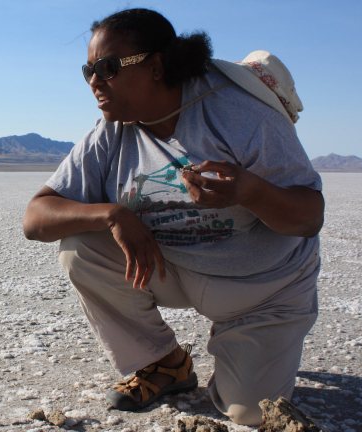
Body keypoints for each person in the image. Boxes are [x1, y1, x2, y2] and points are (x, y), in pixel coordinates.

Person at [22, 8, 323, 426]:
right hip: (175, 268)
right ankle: (163, 364)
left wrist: (250, 192)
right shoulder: (113, 129)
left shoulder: (241, 116)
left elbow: (308, 218)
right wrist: (112, 214)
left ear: (157, 66)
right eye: (88, 70)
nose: (94, 80)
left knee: (251, 414)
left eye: (108, 67)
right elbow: (36, 218)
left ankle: (250, 345)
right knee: (80, 247)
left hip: (262, 292)